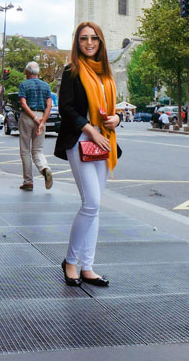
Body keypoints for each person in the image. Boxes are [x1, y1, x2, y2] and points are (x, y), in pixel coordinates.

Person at [55, 21, 121, 287]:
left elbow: (111, 109)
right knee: (91, 203)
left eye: (94, 38)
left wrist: (116, 119)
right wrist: (90, 130)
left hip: (105, 140)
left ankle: (88, 267)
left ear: (101, 42)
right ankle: (71, 262)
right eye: (84, 39)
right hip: (81, 138)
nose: (89, 43)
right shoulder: (72, 70)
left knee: (94, 207)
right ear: (77, 43)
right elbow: (66, 108)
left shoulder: (106, 73)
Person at [18, 61, 53, 191]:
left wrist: (33, 117)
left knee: (25, 150)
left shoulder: (24, 85)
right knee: (38, 150)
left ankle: (28, 182)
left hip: (28, 117)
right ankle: (45, 169)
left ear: (27, 72)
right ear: (37, 73)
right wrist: (42, 121)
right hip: (42, 115)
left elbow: (23, 103)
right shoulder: (46, 86)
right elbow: (49, 104)